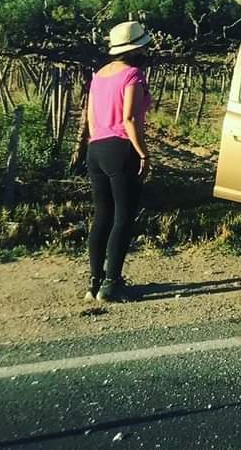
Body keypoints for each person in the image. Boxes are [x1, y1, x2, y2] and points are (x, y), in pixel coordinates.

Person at [85, 21, 153, 302]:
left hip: (96, 148)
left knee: (102, 215)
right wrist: (143, 153)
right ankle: (113, 283)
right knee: (124, 216)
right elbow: (130, 118)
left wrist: (99, 142)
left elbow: (90, 118)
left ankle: (94, 282)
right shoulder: (133, 75)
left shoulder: (99, 75)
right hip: (120, 148)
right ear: (137, 48)